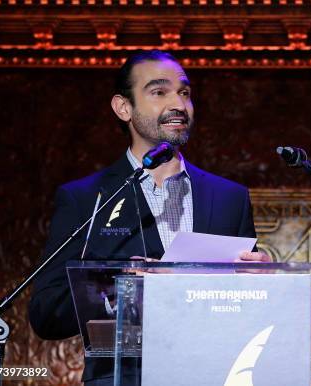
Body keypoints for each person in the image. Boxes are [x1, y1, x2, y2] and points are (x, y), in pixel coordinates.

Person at [28, 50, 269, 385]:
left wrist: (266, 283)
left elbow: (248, 314)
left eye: (184, 93)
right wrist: (121, 285)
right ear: (123, 107)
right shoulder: (87, 198)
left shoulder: (230, 198)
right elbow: (46, 311)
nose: (179, 105)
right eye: (159, 92)